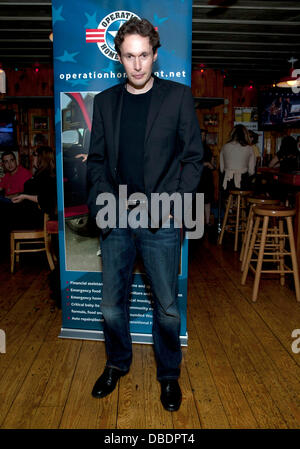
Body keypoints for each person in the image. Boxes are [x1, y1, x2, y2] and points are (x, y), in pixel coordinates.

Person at [87, 18, 203, 412]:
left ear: (155, 54)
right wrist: (103, 204)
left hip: (162, 220)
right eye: (129, 57)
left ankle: (168, 375)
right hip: (115, 216)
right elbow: (97, 161)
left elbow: (193, 159)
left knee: (167, 305)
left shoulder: (178, 97)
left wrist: (173, 206)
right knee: (110, 304)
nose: (137, 65)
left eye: (144, 56)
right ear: (119, 59)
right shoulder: (104, 102)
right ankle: (117, 364)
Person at [0, 146, 57, 253]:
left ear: (41, 158)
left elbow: (45, 200)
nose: (32, 158)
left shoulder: (45, 177)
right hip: (29, 214)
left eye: (34, 155)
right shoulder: (40, 174)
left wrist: (24, 196)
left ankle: (5, 252)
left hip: (34, 218)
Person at [220, 124, 256, 192]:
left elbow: (222, 169)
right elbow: (251, 171)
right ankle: (242, 202)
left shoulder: (224, 147)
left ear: (232, 134)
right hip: (242, 182)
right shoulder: (249, 148)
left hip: (228, 181)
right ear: (245, 135)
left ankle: (229, 202)